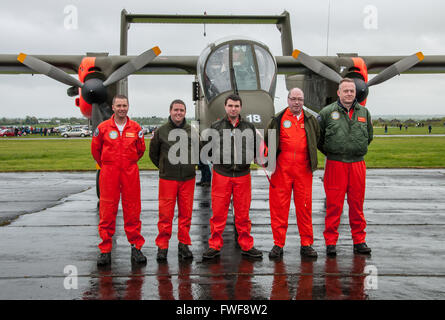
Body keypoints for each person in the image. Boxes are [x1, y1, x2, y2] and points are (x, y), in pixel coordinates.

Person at [202, 94, 263, 259]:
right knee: (218, 213)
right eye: (230, 106)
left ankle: (246, 244)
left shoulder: (249, 127)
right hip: (222, 174)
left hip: (243, 174)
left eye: (236, 106)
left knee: (243, 213)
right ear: (225, 107)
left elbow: (257, 149)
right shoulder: (215, 127)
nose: (233, 109)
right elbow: (206, 150)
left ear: (240, 107)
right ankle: (215, 245)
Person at [318, 78, 373, 257]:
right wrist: (332, 152)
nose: (349, 93)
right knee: (334, 205)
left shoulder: (364, 112)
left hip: (357, 164)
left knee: (357, 205)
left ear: (355, 93)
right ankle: (331, 242)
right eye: (345, 91)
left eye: (352, 91)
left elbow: (369, 137)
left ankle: (359, 240)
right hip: (335, 164)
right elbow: (319, 139)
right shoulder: (327, 113)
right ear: (338, 93)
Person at [91, 94, 147, 266]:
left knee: (133, 210)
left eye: (125, 105)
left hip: (130, 173)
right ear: (113, 107)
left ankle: (136, 247)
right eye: (119, 105)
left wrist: (127, 164)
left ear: (128, 107)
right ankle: (105, 250)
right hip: (109, 173)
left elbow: (140, 150)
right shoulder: (103, 128)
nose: (122, 108)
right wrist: (108, 165)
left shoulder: (135, 128)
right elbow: (96, 150)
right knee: (107, 211)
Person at [264, 88, 320, 259]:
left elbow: (316, 138)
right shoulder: (278, 119)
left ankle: (307, 243)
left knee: (304, 208)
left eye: (300, 99)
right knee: (279, 208)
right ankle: (278, 244)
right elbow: (268, 139)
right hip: (282, 170)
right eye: (293, 99)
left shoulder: (311, 120)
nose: (297, 102)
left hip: (303, 170)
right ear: (288, 100)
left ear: (303, 101)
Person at [149, 99, 196, 262]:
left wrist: (190, 165)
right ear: (170, 111)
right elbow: (153, 154)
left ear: (185, 112)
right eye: (176, 110)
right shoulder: (161, 131)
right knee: (165, 214)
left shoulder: (192, 131)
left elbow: (199, 151)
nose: (178, 113)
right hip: (168, 179)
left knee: (186, 214)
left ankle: (184, 244)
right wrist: (164, 167)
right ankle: (162, 246)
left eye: (182, 110)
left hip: (188, 179)